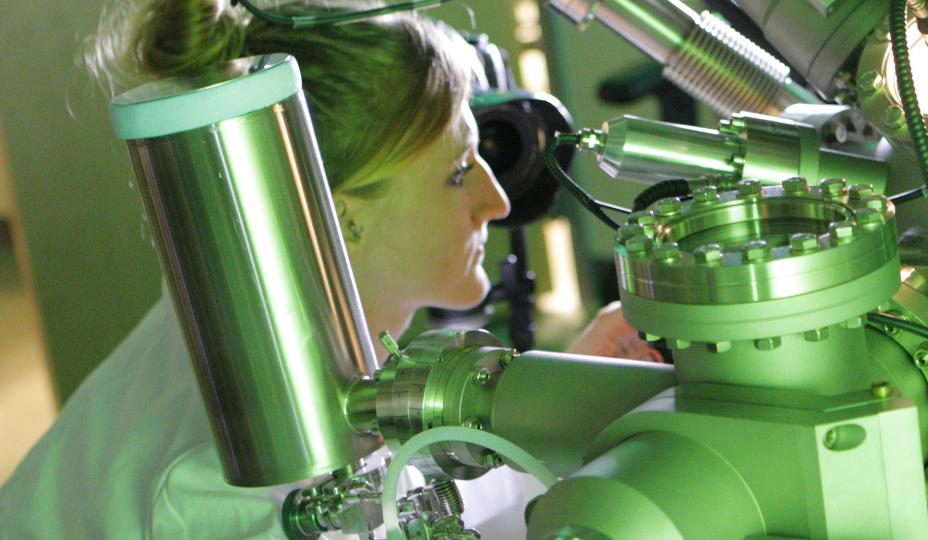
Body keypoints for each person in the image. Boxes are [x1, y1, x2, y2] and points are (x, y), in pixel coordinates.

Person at [0, 0, 656, 537]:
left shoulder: (253, 317)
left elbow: (409, 491)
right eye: (458, 173)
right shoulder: (251, 460)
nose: (499, 199)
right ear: (339, 215)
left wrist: (557, 399)